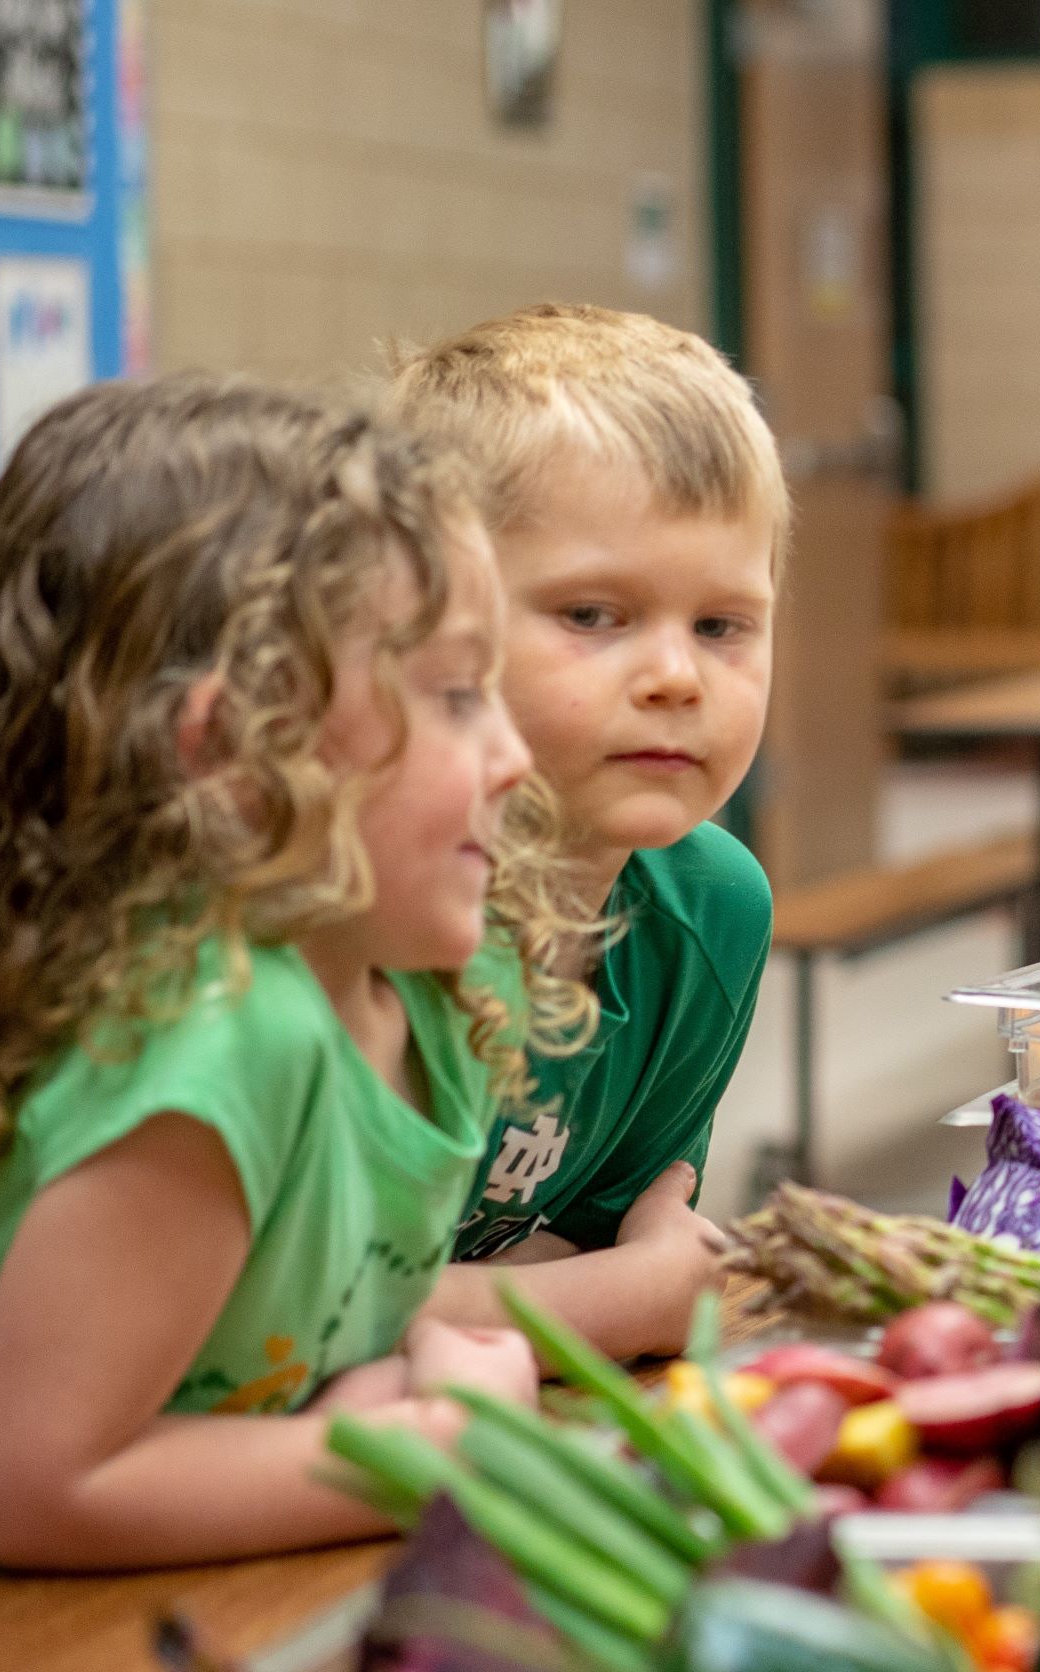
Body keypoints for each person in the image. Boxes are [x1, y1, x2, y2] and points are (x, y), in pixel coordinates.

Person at [0, 377, 592, 1569]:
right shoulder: (221, 1035)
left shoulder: (426, 991)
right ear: (229, 753)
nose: (517, 757)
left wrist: (370, 1391)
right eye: (459, 696)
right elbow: (32, 1481)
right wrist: (442, 1452)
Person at [390, 303, 780, 1361]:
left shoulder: (714, 911)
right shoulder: (374, 918)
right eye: (592, 615)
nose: (674, 676)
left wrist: (568, 1287)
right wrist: (608, 1298)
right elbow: (305, 1313)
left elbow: (608, 1239)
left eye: (721, 624)